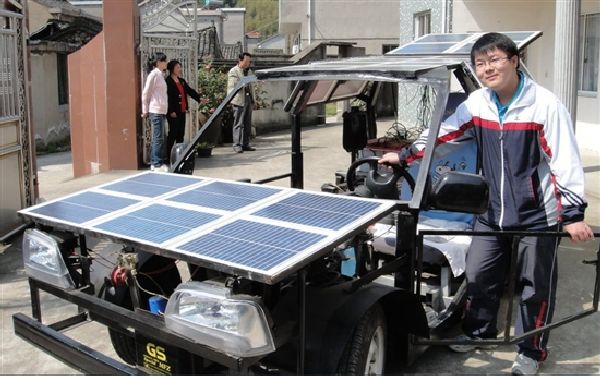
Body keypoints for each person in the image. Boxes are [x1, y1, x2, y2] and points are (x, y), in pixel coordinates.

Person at [379, 32, 594, 375]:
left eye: (494, 60)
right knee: (479, 276)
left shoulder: (545, 105)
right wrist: (404, 155)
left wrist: (572, 215)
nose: (487, 68)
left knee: (534, 287)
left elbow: (564, 161)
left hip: (537, 214)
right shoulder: (477, 103)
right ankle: (478, 332)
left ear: (514, 60)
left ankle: (532, 350)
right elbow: (441, 133)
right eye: (480, 63)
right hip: (491, 212)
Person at [165, 60, 201, 156]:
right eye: (177, 67)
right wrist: (171, 110)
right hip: (174, 112)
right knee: (173, 133)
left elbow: (190, 91)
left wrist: (199, 98)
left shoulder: (182, 81)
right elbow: (168, 97)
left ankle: (179, 155)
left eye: (179, 67)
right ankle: (169, 156)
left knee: (181, 134)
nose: (179, 69)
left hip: (182, 110)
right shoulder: (168, 81)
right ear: (172, 69)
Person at [142, 52, 168, 171]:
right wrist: (145, 109)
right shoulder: (154, 75)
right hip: (155, 110)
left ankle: (158, 161)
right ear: (158, 62)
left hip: (161, 110)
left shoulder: (160, 75)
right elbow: (146, 92)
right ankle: (156, 163)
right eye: (164, 60)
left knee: (161, 137)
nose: (166, 62)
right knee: (158, 138)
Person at [227, 52, 256, 153]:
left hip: (248, 98)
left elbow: (252, 86)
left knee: (247, 123)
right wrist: (242, 82)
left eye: (249, 61)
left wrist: (254, 100)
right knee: (238, 123)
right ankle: (236, 144)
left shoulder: (249, 71)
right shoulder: (234, 71)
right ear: (240, 60)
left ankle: (246, 144)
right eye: (246, 61)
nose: (248, 63)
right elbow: (231, 86)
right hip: (239, 99)